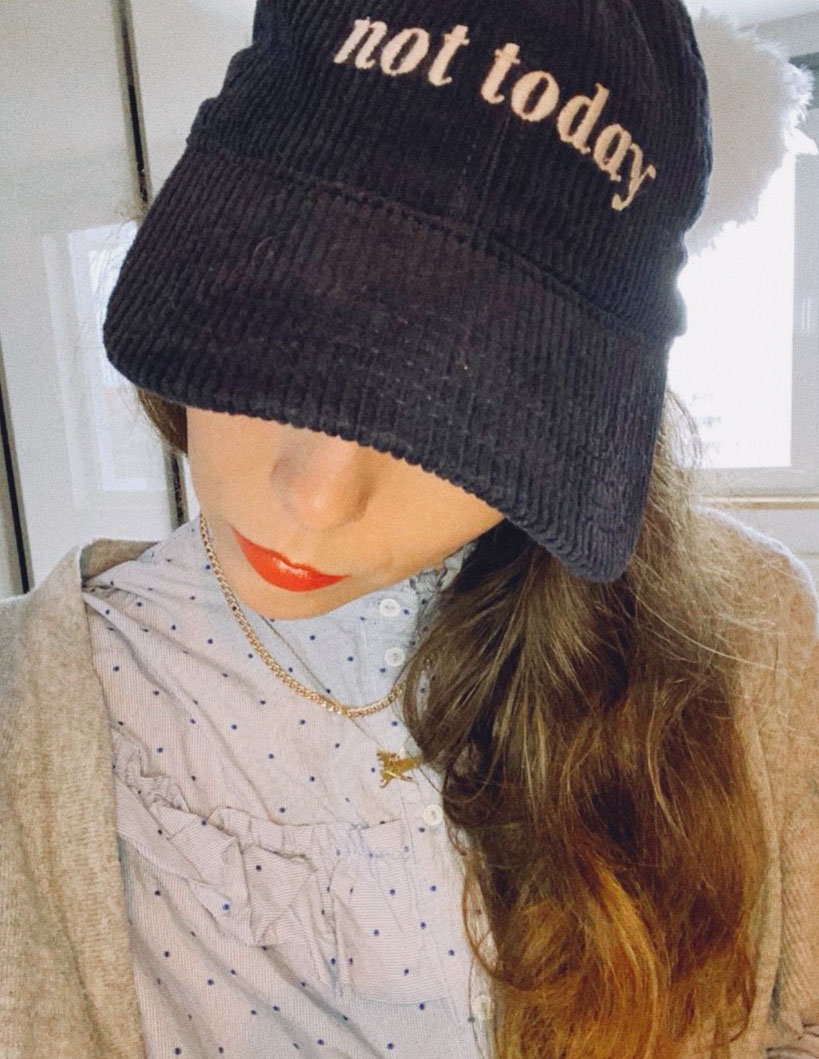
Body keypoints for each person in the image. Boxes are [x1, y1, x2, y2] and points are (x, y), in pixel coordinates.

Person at [1, 1, 818, 1058]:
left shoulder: (748, 639)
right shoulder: (31, 708)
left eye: (461, 406)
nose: (318, 496)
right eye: (279, 332)